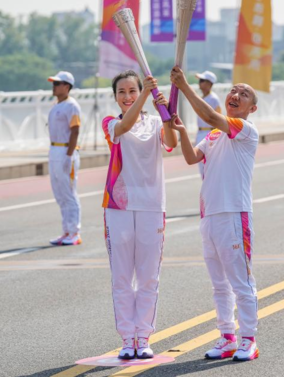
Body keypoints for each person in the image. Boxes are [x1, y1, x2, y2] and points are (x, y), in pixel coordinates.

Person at [169, 66, 260, 362]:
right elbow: (190, 157)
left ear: (252, 108)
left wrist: (183, 87)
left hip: (234, 214)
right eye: (234, 90)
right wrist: (182, 131)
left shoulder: (245, 131)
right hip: (209, 217)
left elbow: (209, 116)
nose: (236, 94)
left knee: (240, 282)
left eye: (243, 94)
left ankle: (249, 339)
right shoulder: (213, 137)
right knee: (219, 285)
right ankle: (227, 337)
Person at [102, 70, 177, 360]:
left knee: (148, 278)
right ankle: (127, 338)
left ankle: (143, 336)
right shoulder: (111, 123)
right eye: (121, 92)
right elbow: (125, 128)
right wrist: (146, 93)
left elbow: (169, 141)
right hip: (118, 207)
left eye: (132, 90)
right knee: (122, 277)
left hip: (151, 206)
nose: (127, 96)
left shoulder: (156, 121)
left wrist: (169, 113)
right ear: (115, 97)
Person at [47, 71, 82, 246]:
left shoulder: (71, 106)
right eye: (54, 83)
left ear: (66, 87)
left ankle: (74, 232)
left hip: (65, 152)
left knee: (69, 193)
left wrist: (69, 155)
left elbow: (75, 130)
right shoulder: (56, 105)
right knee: (59, 194)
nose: (54, 86)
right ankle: (66, 231)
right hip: (54, 150)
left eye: (57, 83)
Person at [194, 71, 221, 176]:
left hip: (209, 134)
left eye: (202, 81)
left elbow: (218, 118)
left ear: (210, 83)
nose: (199, 83)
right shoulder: (203, 98)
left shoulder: (213, 99)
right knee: (202, 166)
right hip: (200, 132)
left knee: (209, 165)